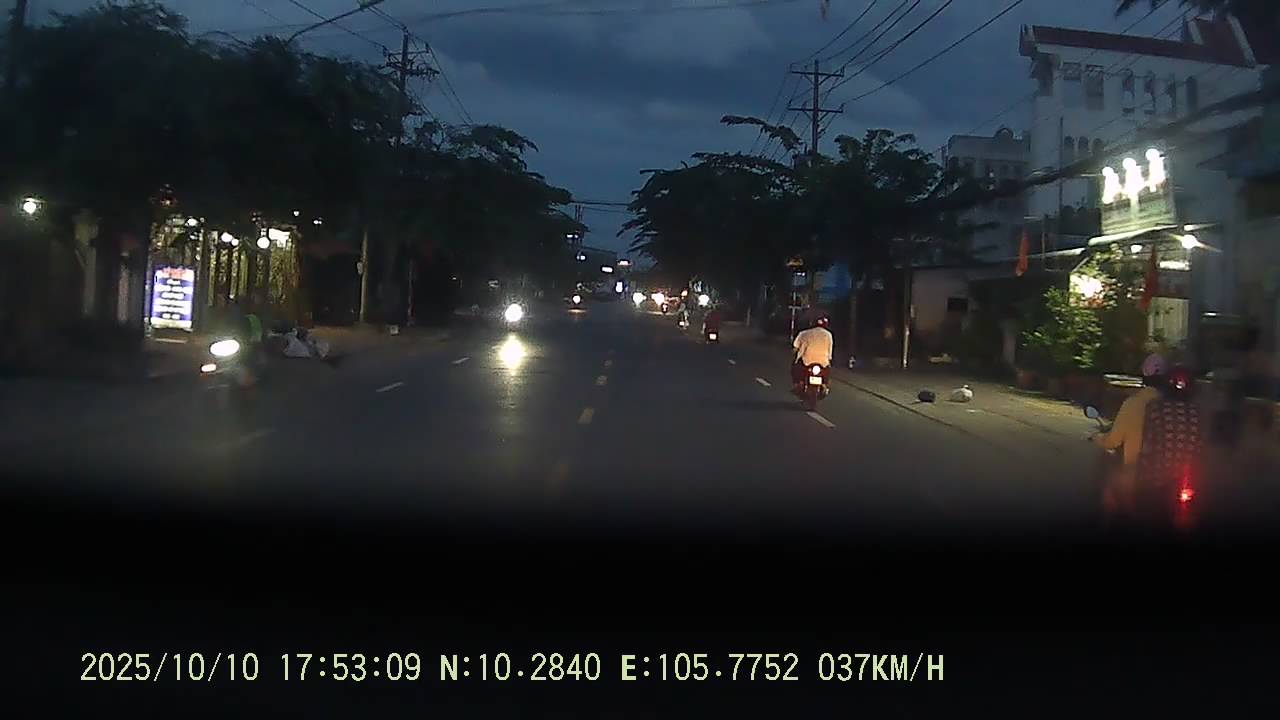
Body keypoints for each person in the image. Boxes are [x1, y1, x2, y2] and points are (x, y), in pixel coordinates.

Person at [1093, 353, 1167, 516]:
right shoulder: (1170, 407)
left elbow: (1113, 441)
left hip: (1135, 478)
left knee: (1109, 492)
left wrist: (1097, 438)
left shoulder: (1133, 403)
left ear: (1144, 376)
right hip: (1166, 480)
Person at [791, 315, 834, 389]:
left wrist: (795, 353)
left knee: (795, 367)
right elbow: (830, 351)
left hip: (806, 361)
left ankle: (798, 383)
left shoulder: (804, 333)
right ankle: (824, 385)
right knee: (827, 371)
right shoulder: (828, 335)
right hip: (823, 362)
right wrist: (829, 359)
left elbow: (795, 347)